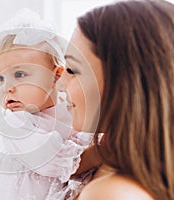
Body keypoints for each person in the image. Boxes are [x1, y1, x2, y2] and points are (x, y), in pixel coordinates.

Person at [59, 0, 174, 199]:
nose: (59, 83)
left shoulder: (110, 193)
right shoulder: (107, 159)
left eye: (72, 69)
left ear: (124, 85)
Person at [0, 9, 97, 200]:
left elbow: (86, 136)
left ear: (56, 76)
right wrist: (103, 152)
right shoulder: (15, 122)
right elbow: (55, 162)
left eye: (19, 75)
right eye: (0, 78)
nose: (7, 87)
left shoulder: (72, 110)